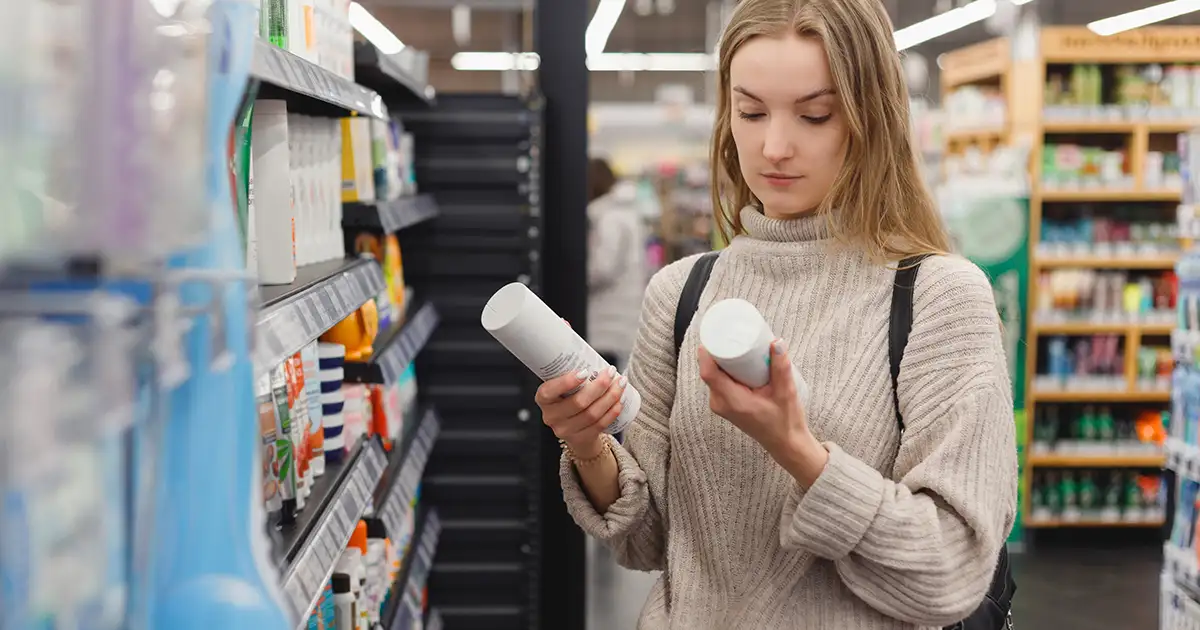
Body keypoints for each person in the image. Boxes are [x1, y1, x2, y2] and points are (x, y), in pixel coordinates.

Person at [535, 0, 1018, 628]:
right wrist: (588, 444)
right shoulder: (681, 293)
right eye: (751, 111)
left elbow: (949, 572)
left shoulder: (939, 297)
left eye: (815, 115)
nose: (775, 146)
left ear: (870, 118)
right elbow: (647, 542)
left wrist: (795, 449)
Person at [587, 157, 647, 372]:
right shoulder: (625, 213)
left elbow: (602, 268)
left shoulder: (609, 218)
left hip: (607, 320)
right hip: (620, 316)